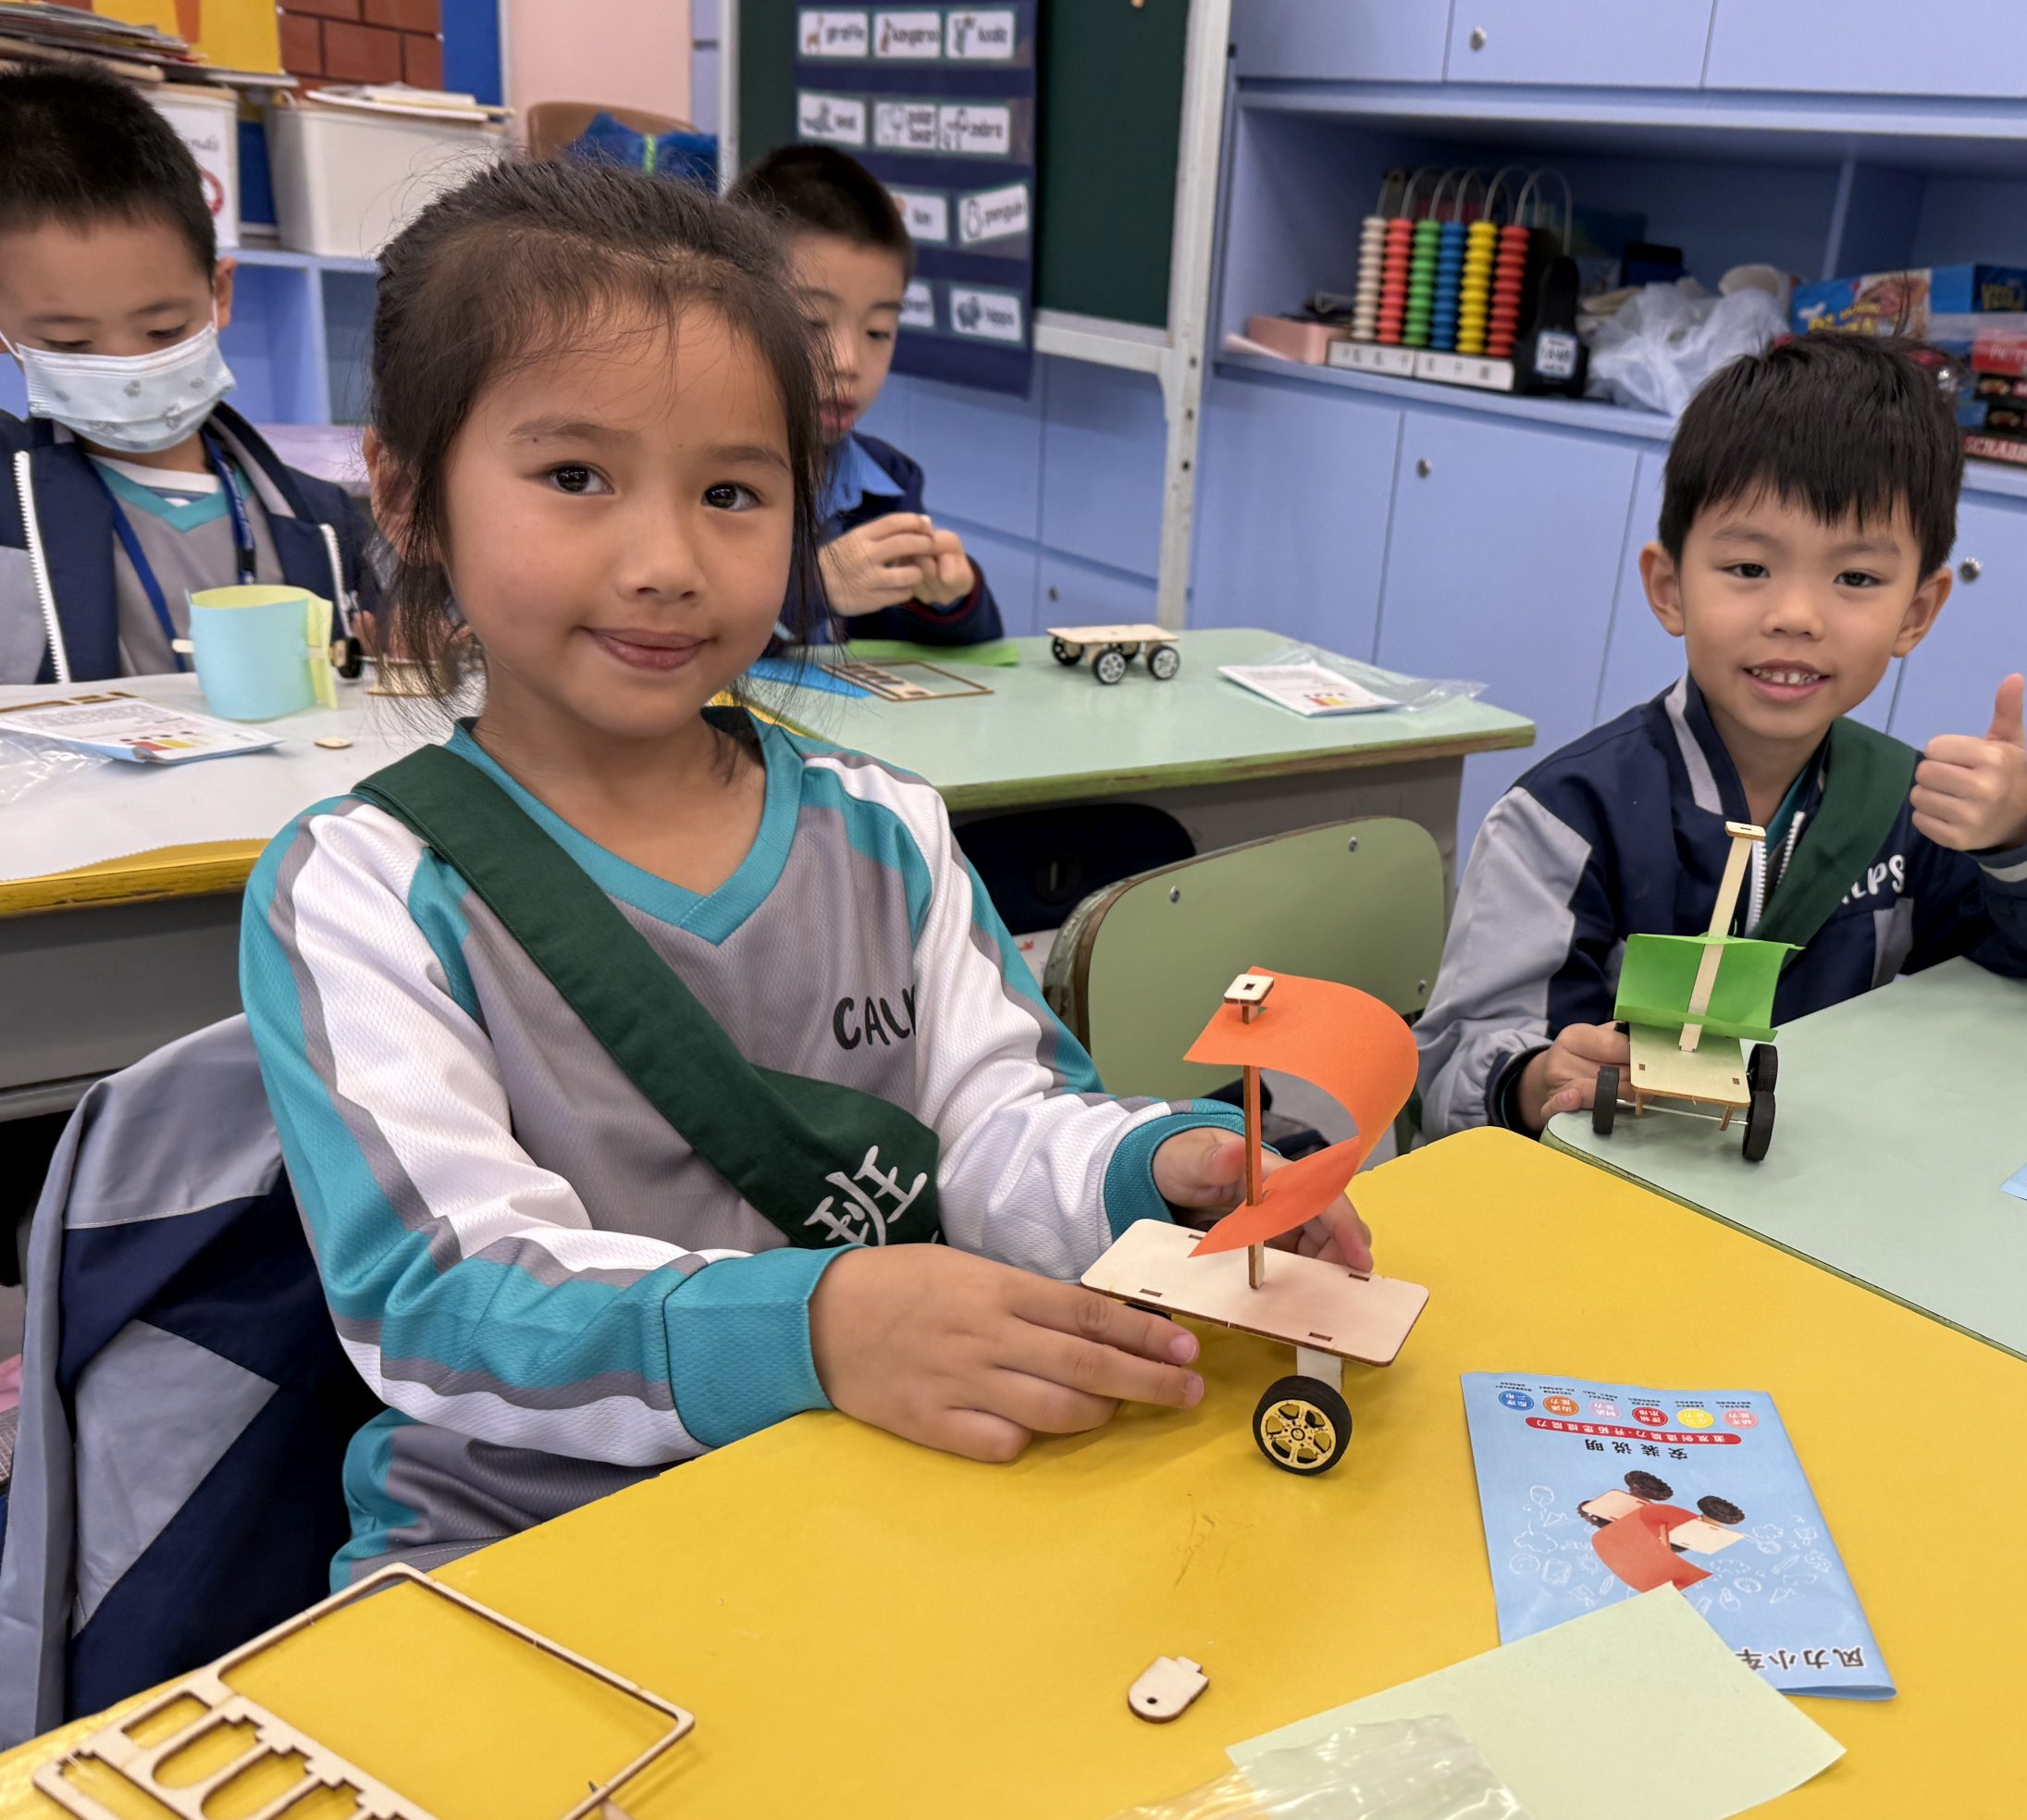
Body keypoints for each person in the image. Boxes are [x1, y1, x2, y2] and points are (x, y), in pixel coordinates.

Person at [239, 160, 1357, 1580]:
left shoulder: (884, 828)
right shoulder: (361, 885)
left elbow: (997, 1131)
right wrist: (815, 1326)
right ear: (407, 494)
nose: (667, 560)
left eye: (731, 491)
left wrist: (1152, 1173)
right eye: (575, 477)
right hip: (523, 1535)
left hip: (876, 1483)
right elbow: (438, 1296)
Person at [1415, 332, 2027, 1139]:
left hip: (1821, 1186)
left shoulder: (1917, 814)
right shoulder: (1569, 815)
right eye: (1749, 569)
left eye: (1856, 578)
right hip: (1603, 1187)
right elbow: (1452, 1068)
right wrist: (1533, 1080)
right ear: (1669, 588)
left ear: (1916, 613)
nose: (1797, 616)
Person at [0, 66, 376, 684]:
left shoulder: (324, 521)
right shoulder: (8, 503)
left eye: (164, 330)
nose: (127, 366)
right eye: (70, 342)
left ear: (218, 294)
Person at [730, 142, 998, 648]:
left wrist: (948, 599)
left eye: (878, 331)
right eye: (813, 323)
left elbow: (961, 649)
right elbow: (678, 628)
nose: (848, 362)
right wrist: (812, 591)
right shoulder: (698, 480)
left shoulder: (889, 483)